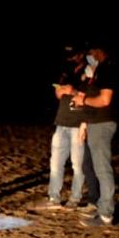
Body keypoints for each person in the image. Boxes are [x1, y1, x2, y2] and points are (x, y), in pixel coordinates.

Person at [35, 47, 91, 211]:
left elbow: (90, 97)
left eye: (74, 55)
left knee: (77, 165)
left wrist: (73, 91)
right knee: (56, 163)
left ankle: (75, 198)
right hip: (62, 121)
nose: (71, 58)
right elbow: (58, 93)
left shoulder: (89, 71)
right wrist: (60, 90)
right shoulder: (67, 71)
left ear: (81, 54)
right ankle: (54, 198)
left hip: (78, 123)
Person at [72, 47, 118, 227]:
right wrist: (85, 122)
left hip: (102, 123)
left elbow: (105, 100)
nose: (88, 56)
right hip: (94, 123)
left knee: (103, 170)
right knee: (93, 167)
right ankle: (102, 208)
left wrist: (83, 101)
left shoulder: (107, 70)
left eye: (90, 53)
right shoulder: (99, 71)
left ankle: (106, 214)